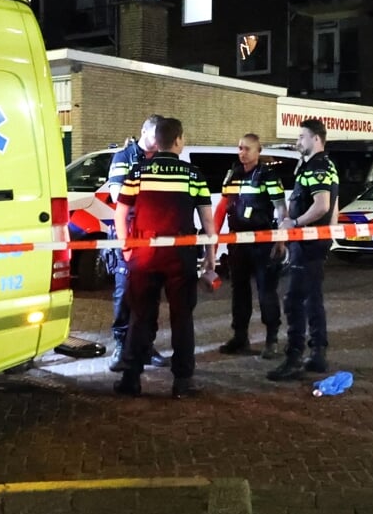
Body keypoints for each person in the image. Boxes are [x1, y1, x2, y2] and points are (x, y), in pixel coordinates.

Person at [113, 117, 218, 398]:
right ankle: (182, 382)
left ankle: (131, 379)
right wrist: (211, 257)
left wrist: (126, 248)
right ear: (179, 140)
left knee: (140, 315)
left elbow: (121, 213)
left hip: (143, 254)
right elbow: (208, 221)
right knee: (182, 317)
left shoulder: (138, 171)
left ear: (156, 141)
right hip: (179, 255)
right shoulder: (193, 174)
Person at [267, 119, 339, 381]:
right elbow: (335, 207)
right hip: (315, 242)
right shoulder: (326, 166)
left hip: (307, 244)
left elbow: (322, 205)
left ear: (316, 139)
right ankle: (318, 353)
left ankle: (294, 356)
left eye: (302, 137)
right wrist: (329, 237)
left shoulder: (316, 167)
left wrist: (293, 223)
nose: (298, 142)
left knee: (294, 300)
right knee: (313, 298)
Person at [213, 133, 286, 358]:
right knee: (239, 292)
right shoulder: (233, 175)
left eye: (247, 149)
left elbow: (282, 209)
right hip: (238, 243)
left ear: (258, 151)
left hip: (262, 242)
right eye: (240, 148)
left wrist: (281, 238)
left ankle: (271, 339)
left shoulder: (268, 176)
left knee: (266, 291)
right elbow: (224, 207)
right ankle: (240, 337)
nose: (242, 153)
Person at [103, 115, 165, 373]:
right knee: (124, 291)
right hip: (127, 232)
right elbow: (118, 194)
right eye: (154, 135)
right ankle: (121, 344)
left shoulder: (163, 159)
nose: (158, 141)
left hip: (154, 236)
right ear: (143, 132)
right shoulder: (124, 157)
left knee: (151, 292)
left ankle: (146, 345)